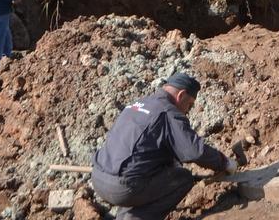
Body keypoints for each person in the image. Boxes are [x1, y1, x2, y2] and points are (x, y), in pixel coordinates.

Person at [91, 73, 237, 220]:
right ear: (181, 95)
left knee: (141, 175)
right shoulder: (168, 112)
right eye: (190, 104)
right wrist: (224, 162)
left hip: (98, 178)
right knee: (183, 179)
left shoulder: (138, 104)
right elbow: (194, 151)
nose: (187, 110)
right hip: (123, 188)